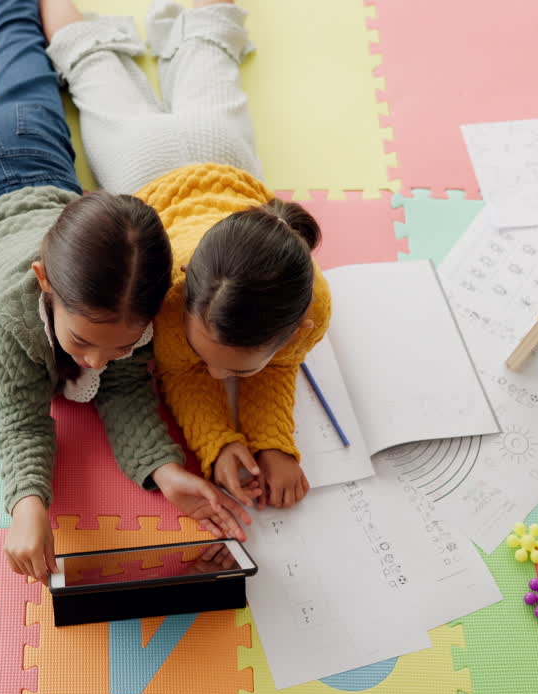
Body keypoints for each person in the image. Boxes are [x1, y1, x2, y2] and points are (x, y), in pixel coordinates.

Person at [0, 0, 250, 581]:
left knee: (7, 27)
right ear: (45, 283)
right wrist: (27, 507)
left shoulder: (127, 308)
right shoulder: (13, 317)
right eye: (84, 341)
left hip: (31, 138)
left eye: (120, 347)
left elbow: (123, 390)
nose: (95, 361)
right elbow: (21, 419)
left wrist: (164, 469)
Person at [43, 0, 332, 509]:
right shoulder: (172, 301)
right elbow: (183, 371)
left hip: (219, 149)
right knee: (91, 62)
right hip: (140, 164)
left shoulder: (308, 304)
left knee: (206, 38)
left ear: (299, 329)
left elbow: (276, 366)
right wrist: (218, 440)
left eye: (238, 371)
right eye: (212, 360)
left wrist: (268, 443)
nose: (218, 378)